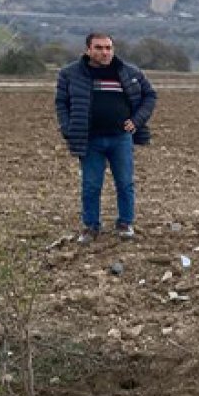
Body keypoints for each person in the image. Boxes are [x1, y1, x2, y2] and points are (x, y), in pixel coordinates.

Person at [55, 33, 157, 243]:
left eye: (108, 48)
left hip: (121, 138)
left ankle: (125, 224)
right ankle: (91, 227)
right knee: (91, 185)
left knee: (125, 183)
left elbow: (149, 96)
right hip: (90, 139)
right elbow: (61, 103)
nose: (105, 52)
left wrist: (137, 121)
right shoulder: (70, 74)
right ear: (88, 50)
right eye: (99, 48)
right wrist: (67, 128)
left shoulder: (129, 72)